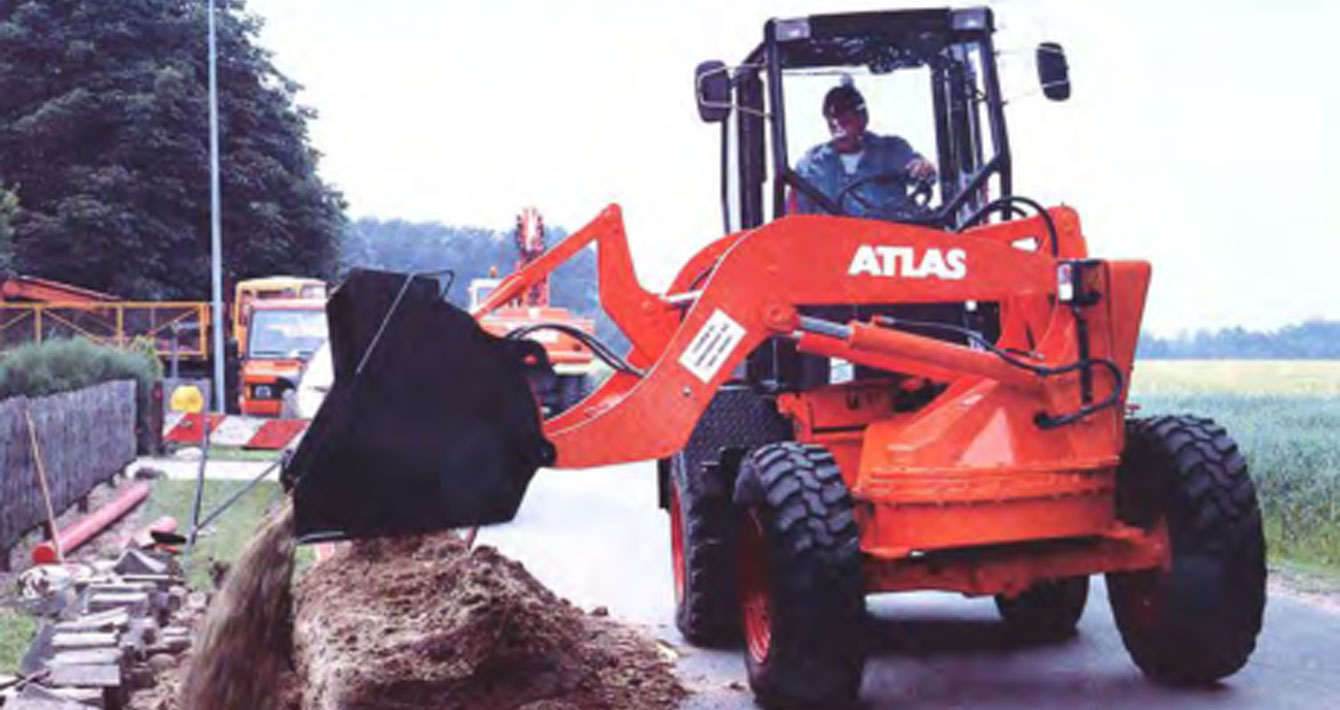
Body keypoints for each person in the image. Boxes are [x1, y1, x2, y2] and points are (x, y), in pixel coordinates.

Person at [793, 82, 937, 220]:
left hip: (886, 235)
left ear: (863, 119)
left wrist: (923, 169)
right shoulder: (810, 166)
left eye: (845, 122)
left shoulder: (893, 151)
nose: (839, 132)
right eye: (833, 125)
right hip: (830, 237)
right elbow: (795, 217)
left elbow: (924, 176)